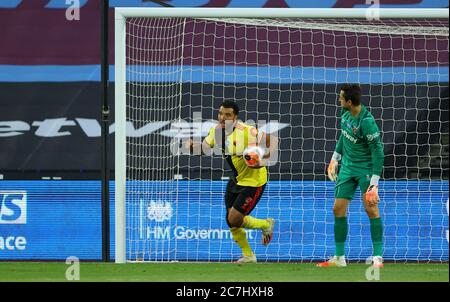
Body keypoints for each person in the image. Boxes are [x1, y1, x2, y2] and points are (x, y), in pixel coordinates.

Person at [187, 100, 277, 263]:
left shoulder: (247, 131)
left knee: (235, 218)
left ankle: (265, 225)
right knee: (231, 220)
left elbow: (273, 141)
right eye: (220, 113)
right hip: (236, 179)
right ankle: (249, 256)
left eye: (227, 114)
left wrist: (262, 161)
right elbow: (205, 149)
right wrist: (193, 147)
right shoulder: (217, 131)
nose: (222, 117)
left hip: (254, 181)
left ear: (235, 117)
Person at [317, 84, 385, 268]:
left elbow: (378, 153)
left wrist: (373, 184)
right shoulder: (345, 114)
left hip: (365, 169)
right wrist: (334, 158)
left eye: (340, 98)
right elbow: (344, 136)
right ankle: (339, 258)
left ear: (349, 101)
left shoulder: (367, 122)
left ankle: (377, 257)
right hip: (347, 167)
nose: (338, 100)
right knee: (337, 209)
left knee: (371, 209)